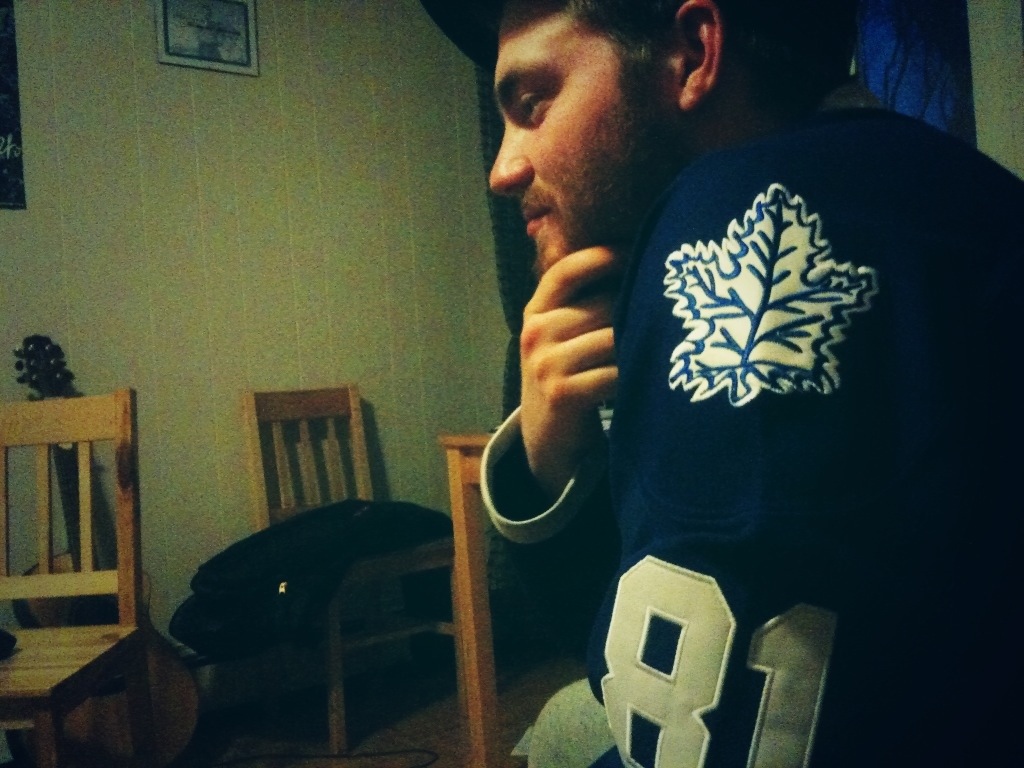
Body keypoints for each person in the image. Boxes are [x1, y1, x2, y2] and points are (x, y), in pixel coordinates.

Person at [421, 1, 1024, 766]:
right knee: (559, 723)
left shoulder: (748, 206)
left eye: (533, 102)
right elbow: (638, 661)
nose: (502, 170)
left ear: (695, 54)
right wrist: (547, 464)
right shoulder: (954, 201)